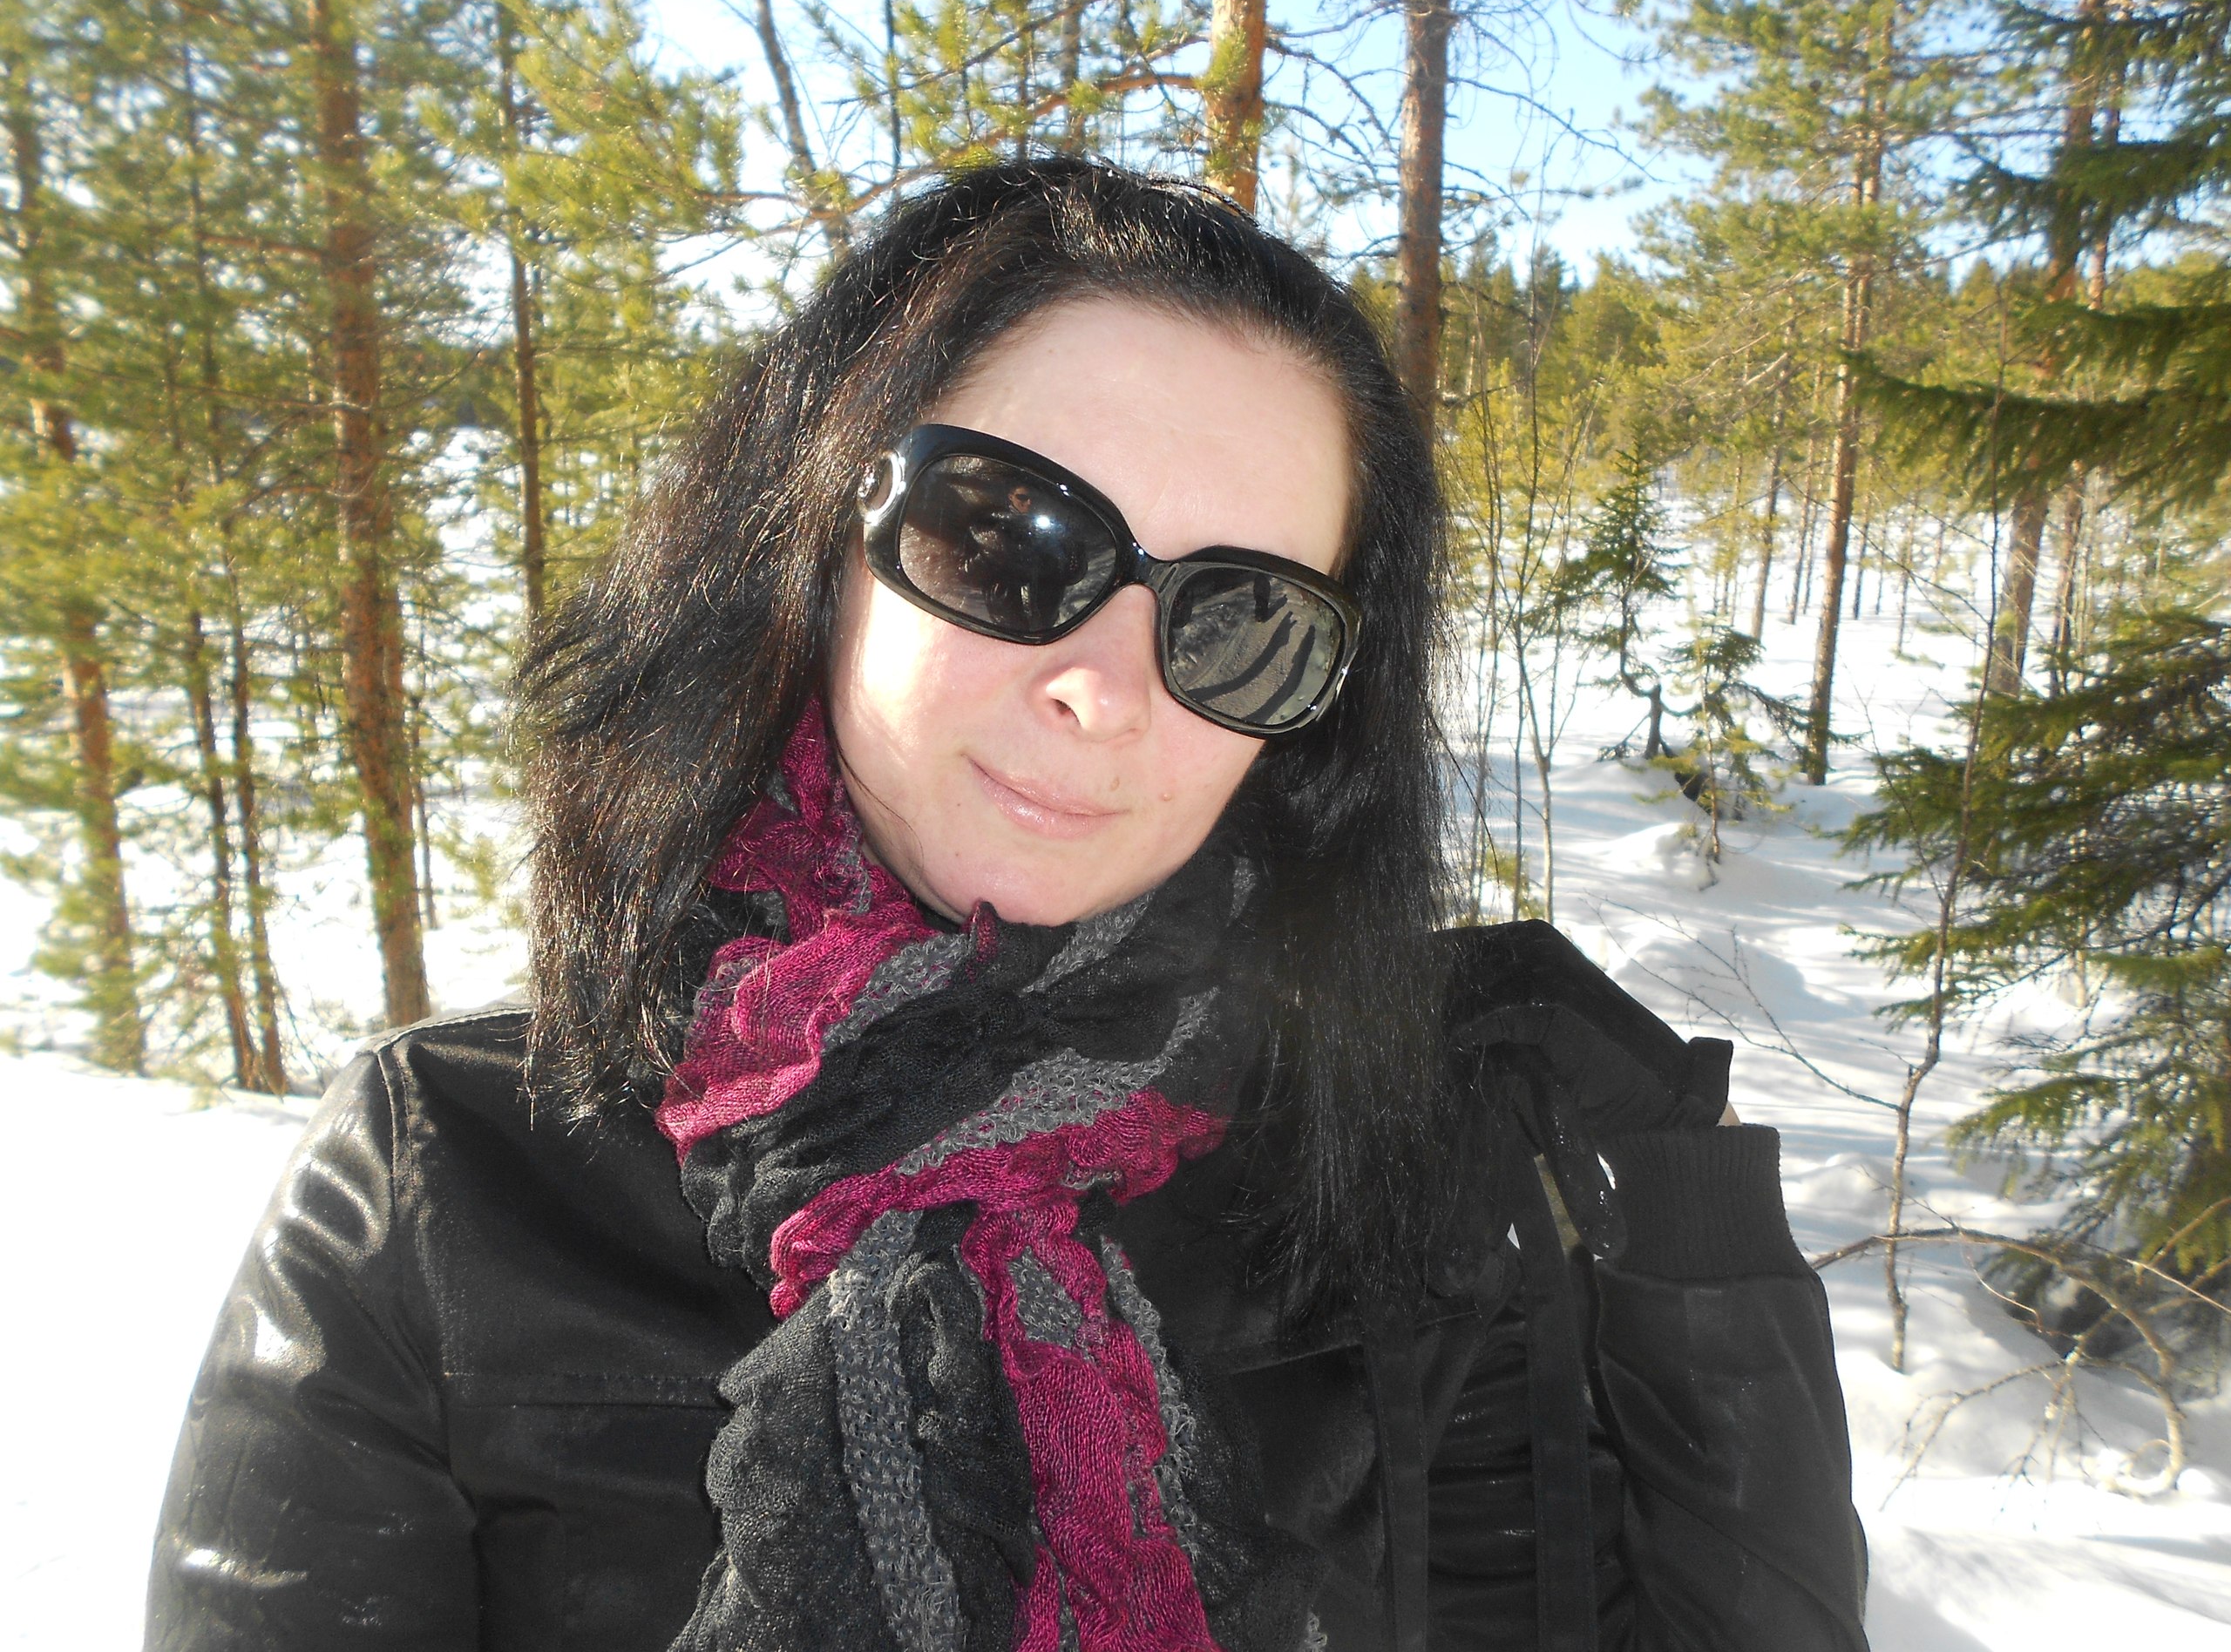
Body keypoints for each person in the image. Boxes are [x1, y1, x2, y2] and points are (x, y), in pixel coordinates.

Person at [146, 159, 1868, 1652]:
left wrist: (1688, 1230)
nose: (1104, 692)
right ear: (812, 532)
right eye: (1007, 539)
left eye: (1239, 622)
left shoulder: (1417, 1155)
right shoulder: (449, 1185)